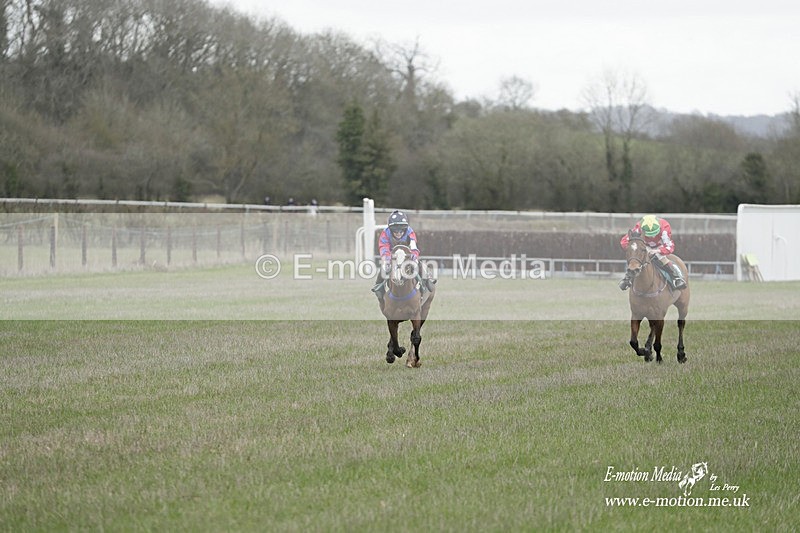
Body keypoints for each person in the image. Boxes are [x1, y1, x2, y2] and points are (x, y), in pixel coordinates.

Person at [372, 210, 435, 300]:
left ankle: (426, 281)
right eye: (396, 232)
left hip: (407, 256)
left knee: (418, 263)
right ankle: (379, 287)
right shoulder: (385, 233)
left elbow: (413, 247)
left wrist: (413, 257)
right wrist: (387, 259)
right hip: (392, 256)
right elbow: (384, 247)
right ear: (391, 230)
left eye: (401, 231)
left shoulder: (410, 232)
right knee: (384, 266)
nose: (399, 233)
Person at [619, 214, 687, 291]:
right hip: (644, 246)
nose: (652, 237)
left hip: (660, 246)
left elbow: (669, 246)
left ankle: (676, 278)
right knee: (636, 258)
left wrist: (658, 250)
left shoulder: (665, 227)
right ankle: (627, 278)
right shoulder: (638, 228)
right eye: (649, 235)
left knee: (660, 257)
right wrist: (635, 249)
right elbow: (624, 241)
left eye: (654, 234)